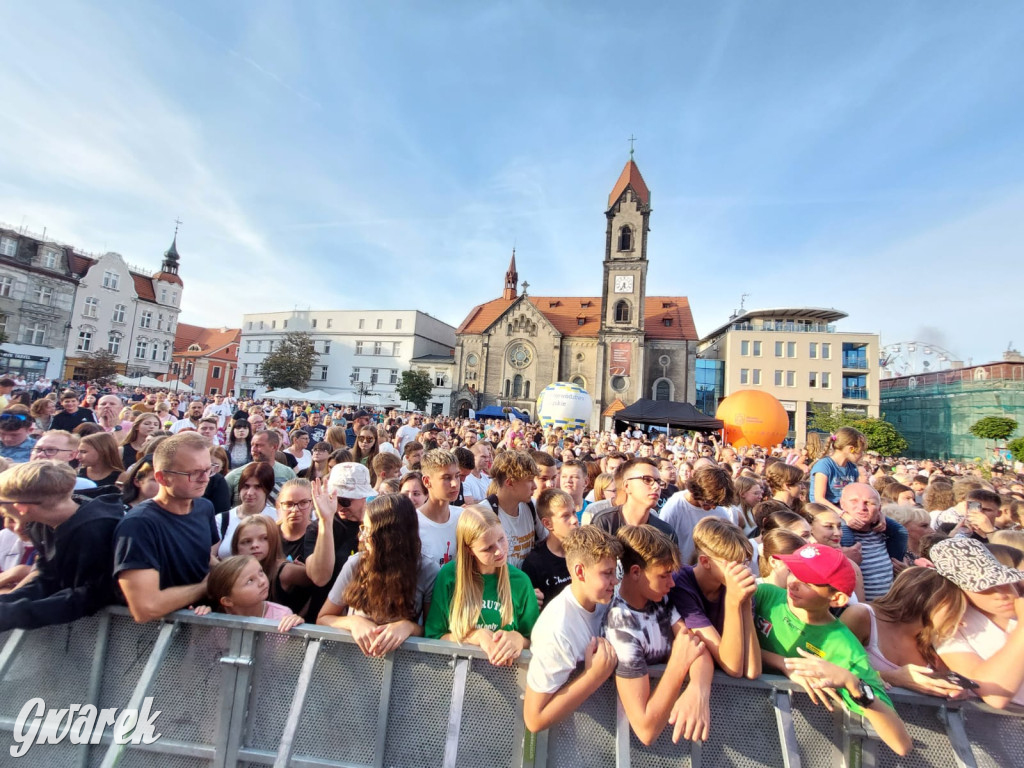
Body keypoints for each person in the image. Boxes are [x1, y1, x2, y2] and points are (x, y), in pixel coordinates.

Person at [755, 543, 912, 756]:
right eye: (793, 572)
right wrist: (782, 663)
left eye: (809, 581)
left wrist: (852, 683)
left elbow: (901, 744)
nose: (793, 583)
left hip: (793, 743)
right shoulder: (765, 595)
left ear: (837, 598)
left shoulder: (846, 649)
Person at [605, 525, 713, 745]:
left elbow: (698, 649)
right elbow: (645, 730)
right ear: (635, 572)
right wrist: (679, 664)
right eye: (664, 576)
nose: (672, 583)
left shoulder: (660, 599)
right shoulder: (621, 628)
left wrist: (698, 689)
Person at [0, 461, 122, 630]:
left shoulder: (96, 528)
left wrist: (14, 614)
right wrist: (6, 605)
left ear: (20, 507)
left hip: (122, 633)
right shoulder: (40, 524)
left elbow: (91, 595)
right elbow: (47, 578)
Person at [523, 526, 622, 732]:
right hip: (571, 742)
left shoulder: (607, 598)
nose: (615, 581)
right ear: (580, 571)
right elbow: (534, 719)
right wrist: (593, 677)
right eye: (607, 573)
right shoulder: (557, 629)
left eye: (615, 571)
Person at [113, 432, 219, 623]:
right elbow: (145, 608)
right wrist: (206, 586)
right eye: (194, 473)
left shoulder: (204, 507)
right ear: (162, 477)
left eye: (209, 469)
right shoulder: (138, 525)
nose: (205, 479)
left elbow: (202, 556)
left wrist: (231, 572)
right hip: (151, 639)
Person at [318, 494, 439, 656]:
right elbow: (323, 618)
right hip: (355, 663)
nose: (361, 537)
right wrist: (353, 622)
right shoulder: (355, 564)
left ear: (390, 537)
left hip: (404, 664)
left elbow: (434, 632)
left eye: (368, 531)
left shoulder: (427, 570)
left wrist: (409, 627)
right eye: (363, 529)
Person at [425, 503, 539, 665]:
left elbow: (536, 642)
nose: (499, 550)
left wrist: (518, 639)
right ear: (469, 550)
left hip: (507, 679)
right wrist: (474, 636)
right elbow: (434, 636)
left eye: (501, 539)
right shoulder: (449, 577)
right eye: (488, 548)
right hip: (456, 676)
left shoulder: (520, 581)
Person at [840, 567, 967, 698]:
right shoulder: (862, 616)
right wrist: (894, 678)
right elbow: (832, 669)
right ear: (930, 602)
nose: (962, 621)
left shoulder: (937, 640)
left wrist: (954, 691)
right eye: (954, 608)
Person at [931, 537, 1024, 709]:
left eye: (1003, 581)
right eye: (984, 587)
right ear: (959, 590)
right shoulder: (948, 631)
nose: (1001, 594)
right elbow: (995, 694)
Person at [670, 518, 761, 679]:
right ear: (705, 561)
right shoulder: (681, 584)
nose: (743, 570)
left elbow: (752, 671)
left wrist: (745, 603)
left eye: (745, 563)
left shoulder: (738, 587)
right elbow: (732, 667)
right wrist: (733, 602)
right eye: (735, 565)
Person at [303, 463, 374, 619]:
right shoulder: (317, 528)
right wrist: (326, 521)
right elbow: (320, 578)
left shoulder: (377, 527)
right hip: (326, 618)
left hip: (366, 620)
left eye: (345, 501)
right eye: (333, 498)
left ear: (363, 497)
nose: (339, 506)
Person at [231, 513, 314, 618]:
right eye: (246, 541)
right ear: (236, 546)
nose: (255, 545)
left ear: (274, 540)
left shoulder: (286, 571)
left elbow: (320, 587)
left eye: (264, 538)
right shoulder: (230, 573)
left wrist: (301, 616)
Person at [200, 555, 303, 633]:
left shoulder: (282, 616)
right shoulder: (215, 619)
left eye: (261, 572)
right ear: (227, 601)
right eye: (250, 581)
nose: (262, 581)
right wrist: (200, 622)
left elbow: (284, 657)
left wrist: (294, 627)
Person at [838, 483, 906, 600]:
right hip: (858, 611)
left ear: (879, 508)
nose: (862, 507)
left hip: (888, 607)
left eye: (869, 503)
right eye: (854, 501)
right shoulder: (836, 535)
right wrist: (844, 517)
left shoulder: (884, 534)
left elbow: (901, 532)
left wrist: (881, 516)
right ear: (842, 504)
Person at [593, 458, 678, 545]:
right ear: (627, 486)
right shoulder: (604, 522)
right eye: (647, 480)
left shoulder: (665, 532)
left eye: (658, 481)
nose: (656, 486)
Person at [659, 465, 734, 563]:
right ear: (697, 490)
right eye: (709, 502)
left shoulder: (721, 512)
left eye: (717, 504)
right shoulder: (674, 507)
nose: (713, 507)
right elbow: (662, 544)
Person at [486, 450, 547, 568]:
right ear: (510, 483)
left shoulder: (532, 506)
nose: (535, 486)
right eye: (530, 480)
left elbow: (545, 543)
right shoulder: (484, 514)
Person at [522, 489, 578, 607]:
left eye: (574, 512)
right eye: (565, 516)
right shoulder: (534, 563)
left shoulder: (585, 552)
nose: (574, 520)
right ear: (548, 523)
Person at [216, 462, 277, 558]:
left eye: (257, 487)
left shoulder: (277, 518)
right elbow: (209, 557)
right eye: (246, 486)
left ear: (267, 489)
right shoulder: (222, 519)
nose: (250, 493)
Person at [417, 449, 463, 567]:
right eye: (446, 478)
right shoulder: (414, 524)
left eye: (457, 476)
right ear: (427, 481)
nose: (455, 484)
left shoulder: (463, 518)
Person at [224, 430, 295, 505]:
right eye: (252, 445)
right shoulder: (235, 475)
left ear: (274, 447)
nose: (253, 449)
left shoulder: (288, 474)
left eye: (258, 445)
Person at [808, 427, 867, 512]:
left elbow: (857, 494)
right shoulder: (824, 465)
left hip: (845, 510)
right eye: (861, 451)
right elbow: (819, 498)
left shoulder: (852, 468)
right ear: (851, 449)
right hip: (824, 511)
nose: (862, 455)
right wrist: (841, 513)